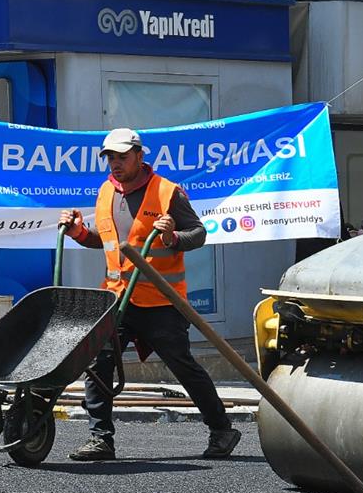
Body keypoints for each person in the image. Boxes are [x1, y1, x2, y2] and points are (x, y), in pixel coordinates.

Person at [58, 128, 241, 462]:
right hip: (117, 299)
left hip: (160, 301)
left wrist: (172, 237)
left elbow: (197, 234)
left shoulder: (167, 192)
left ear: (140, 156)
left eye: (121, 157)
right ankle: (101, 439)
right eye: (110, 158)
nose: (115, 164)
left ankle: (222, 430)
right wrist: (78, 232)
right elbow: (106, 238)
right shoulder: (105, 192)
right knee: (99, 363)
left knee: (182, 367)